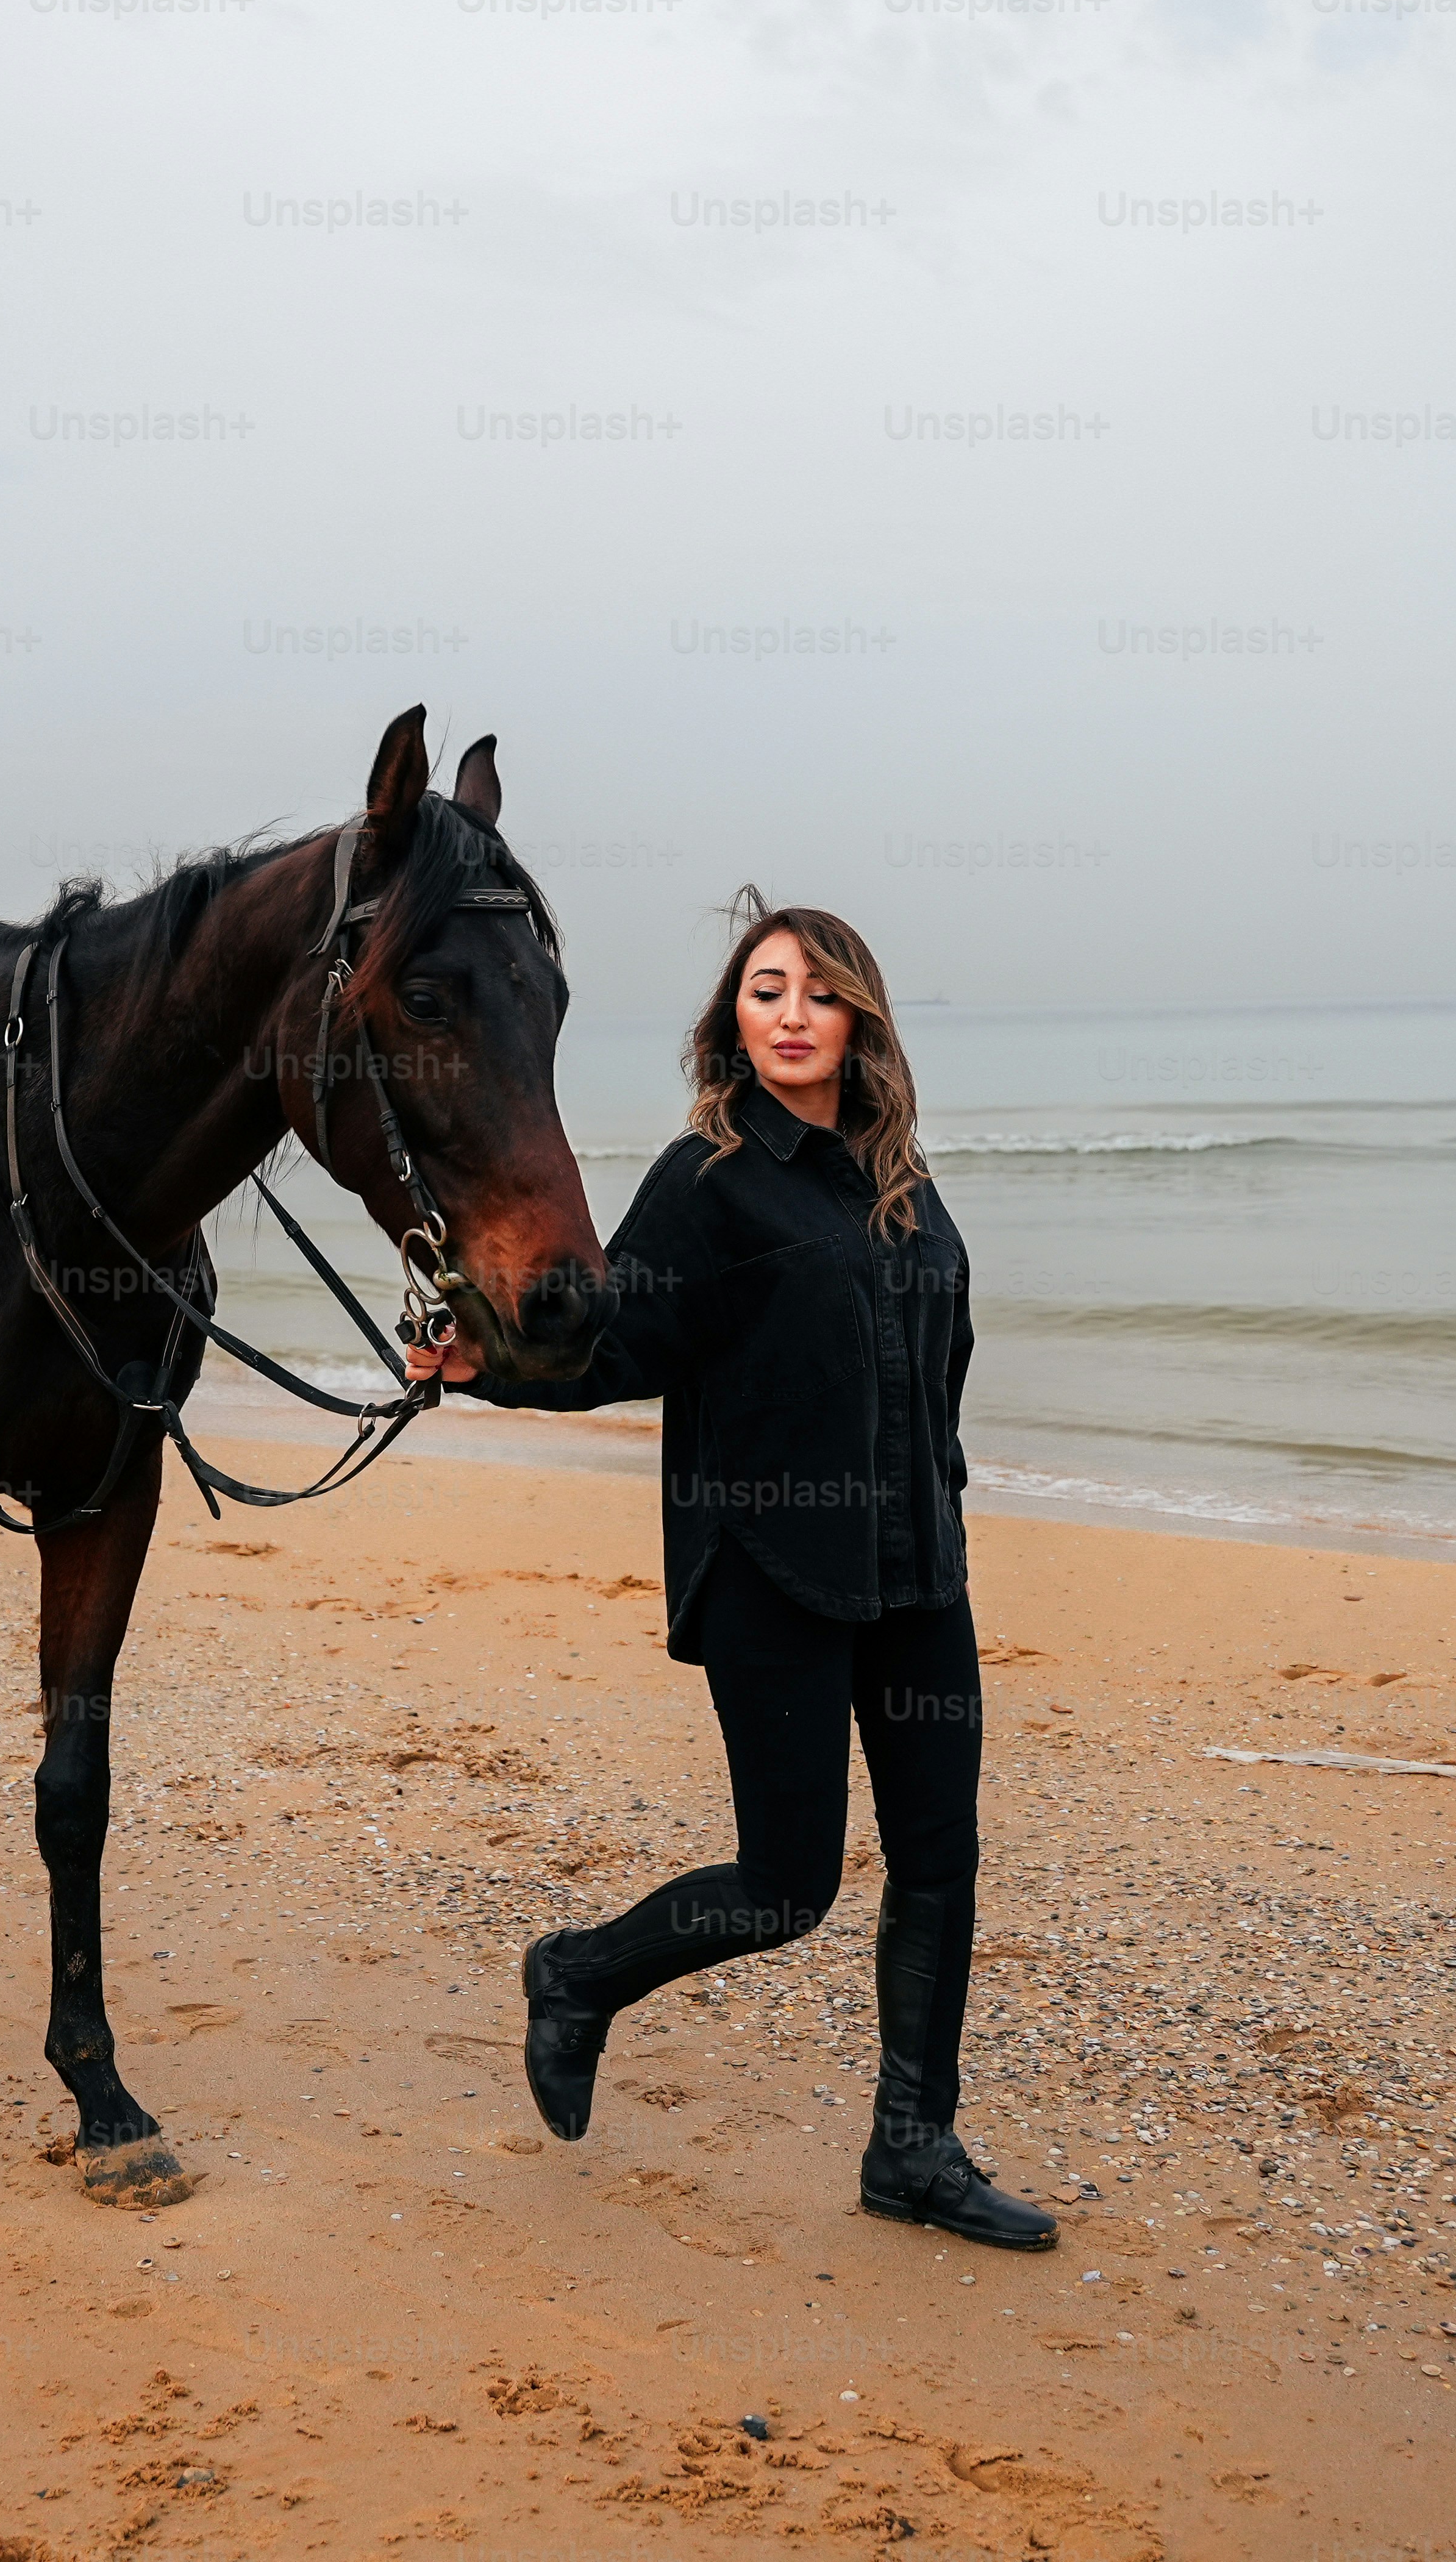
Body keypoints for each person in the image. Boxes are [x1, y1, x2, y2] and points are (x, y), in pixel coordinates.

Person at [406, 898, 1054, 2253]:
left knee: (941, 1857)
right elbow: (617, 1341)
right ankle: (579, 1975)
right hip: (774, 1566)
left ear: (860, 1018)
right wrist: (490, 1363)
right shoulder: (708, 1180)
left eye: (819, 992)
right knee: (786, 1883)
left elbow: (938, 1357)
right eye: (767, 991)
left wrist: (936, 1494)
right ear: (734, 1023)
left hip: (919, 1570)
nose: (793, 1014)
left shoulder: (899, 1176)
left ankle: (913, 2148)